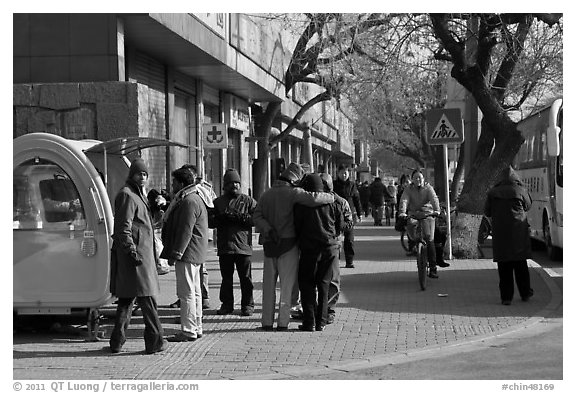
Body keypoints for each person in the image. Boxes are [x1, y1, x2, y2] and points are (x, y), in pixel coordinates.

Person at [253, 162, 334, 331]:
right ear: (296, 179)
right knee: (287, 287)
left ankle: (266, 322)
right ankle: (283, 323)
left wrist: (267, 229)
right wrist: (331, 197)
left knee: (268, 287)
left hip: (269, 246)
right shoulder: (294, 193)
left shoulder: (266, 194)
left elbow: (257, 216)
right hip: (289, 245)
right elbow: (314, 198)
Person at [109, 158, 167, 354]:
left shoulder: (137, 195)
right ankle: (155, 341)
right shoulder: (127, 195)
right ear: (131, 175)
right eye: (138, 174)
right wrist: (131, 251)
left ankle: (116, 342)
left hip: (139, 256)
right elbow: (123, 227)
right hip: (136, 258)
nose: (142, 177)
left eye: (144, 174)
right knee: (148, 300)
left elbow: (143, 224)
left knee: (126, 301)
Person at [161, 166, 209, 342]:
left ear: (181, 183)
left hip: (188, 253)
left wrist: (176, 253)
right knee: (194, 292)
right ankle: (196, 327)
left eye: (174, 182)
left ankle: (188, 330)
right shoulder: (194, 198)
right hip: (194, 253)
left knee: (186, 293)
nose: (172, 185)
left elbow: (185, 231)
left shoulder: (188, 201)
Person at [294, 174, 346, 332]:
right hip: (329, 248)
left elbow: (297, 227)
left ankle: (309, 322)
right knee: (324, 285)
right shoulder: (333, 203)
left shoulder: (301, 205)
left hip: (309, 249)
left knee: (307, 285)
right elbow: (341, 224)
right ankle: (321, 322)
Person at [484, 166, 534, 306]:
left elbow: (487, 212)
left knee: (504, 267)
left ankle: (506, 297)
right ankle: (525, 293)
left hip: (501, 235)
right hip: (518, 233)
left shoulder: (493, 192)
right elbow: (528, 205)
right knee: (520, 265)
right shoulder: (520, 190)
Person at [210, 169, 257, 316]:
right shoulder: (218, 202)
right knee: (226, 279)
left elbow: (257, 219)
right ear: (225, 185)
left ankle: (247, 305)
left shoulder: (248, 201)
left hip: (243, 247)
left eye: (237, 183)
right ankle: (227, 304)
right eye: (231, 183)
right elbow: (210, 222)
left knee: (246, 279)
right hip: (225, 247)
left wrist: (242, 218)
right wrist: (221, 218)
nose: (234, 186)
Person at [319, 173, 353, 326]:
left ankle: (330, 310)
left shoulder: (340, 202)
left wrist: (339, 226)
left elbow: (349, 222)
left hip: (333, 244)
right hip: (313, 244)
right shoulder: (312, 201)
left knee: (332, 279)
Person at [398, 169, 443, 278]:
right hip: (414, 214)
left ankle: (433, 268)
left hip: (427, 214)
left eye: (420, 177)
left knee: (429, 239)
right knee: (413, 233)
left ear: (423, 179)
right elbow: (404, 200)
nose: (418, 180)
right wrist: (402, 212)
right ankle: (416, 249)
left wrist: (437, 210)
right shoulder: (408, 189)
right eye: (415, 178)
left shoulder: (428, 188)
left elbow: (434, 199)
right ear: (412, 179)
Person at [333, 165, 362, 268]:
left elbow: (357, 200)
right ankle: (336, 260)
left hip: (349, 215)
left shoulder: (352, 185)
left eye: (346, 173)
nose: (344, 175)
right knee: (336, 239)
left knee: (349, 239)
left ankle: (349, 261)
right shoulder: (333, 184)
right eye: (342, 173)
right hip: (336, 214)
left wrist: (359, 214)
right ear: (338, 173)